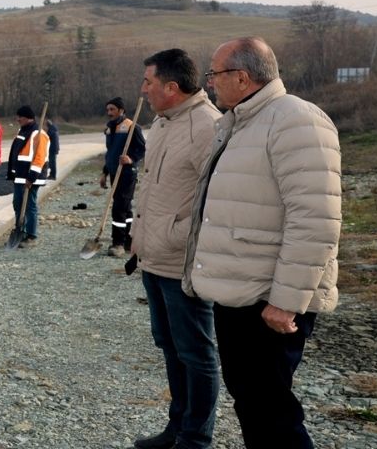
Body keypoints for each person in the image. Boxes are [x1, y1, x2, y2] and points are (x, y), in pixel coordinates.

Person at [183, 37, 341, 449]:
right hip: (240, 292)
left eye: (214, 74)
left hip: (268, 300)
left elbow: (315, 219)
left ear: (242, 76)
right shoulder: (242, 121)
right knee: (253, 404)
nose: (209, 83)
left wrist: (287, 300)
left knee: (272, 411)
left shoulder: (296, 120)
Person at [129, 49, 222, 449]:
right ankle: (176, 429)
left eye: (148, 81)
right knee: (170, 347)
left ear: (171, 86)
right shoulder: (164, 123)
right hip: (154, 258)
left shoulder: (208, 127)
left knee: (197, 354)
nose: (143, 89)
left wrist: (186, 240)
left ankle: (196, 438)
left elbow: (218, 199)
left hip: (184, 262)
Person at [100, 96, 145, 256]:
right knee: (125, 208)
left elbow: (142, 149)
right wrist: (104, 173)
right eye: (108, 110)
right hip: (113, 172)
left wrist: (130, 158)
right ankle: (129, 241)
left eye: (112, 109)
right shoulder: (110, 129)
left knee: (119, 207)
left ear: (121, 110)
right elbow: (110, 154)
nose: (109, 113)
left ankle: (117, 243)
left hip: (127, 173)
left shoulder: (132, 127)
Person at [6, 105, 49, 247]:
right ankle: (21, 230)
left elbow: (39, 157)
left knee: (29, 205)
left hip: (31, 177)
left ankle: (31, 235)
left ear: (28, 117)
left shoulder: (38, 134)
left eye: (20, 117)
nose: (18, 119)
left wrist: (31, 178)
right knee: (17, 203)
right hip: (20, 176)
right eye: (17, 116)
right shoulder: (22, 131)